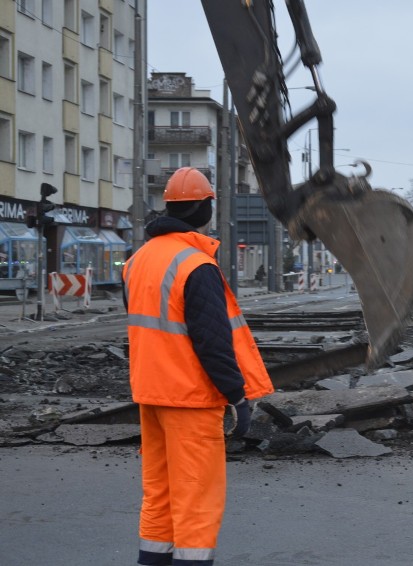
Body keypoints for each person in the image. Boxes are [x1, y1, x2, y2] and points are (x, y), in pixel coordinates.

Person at [122, 167, 274, 566]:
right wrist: (237, 396)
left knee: (160, 491)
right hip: (189, 398)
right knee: (196, 497)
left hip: (150, 393)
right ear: (206, 206)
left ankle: (151, 560)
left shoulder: (138, 260)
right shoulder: (195, 265)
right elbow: (212, 342)